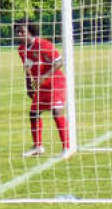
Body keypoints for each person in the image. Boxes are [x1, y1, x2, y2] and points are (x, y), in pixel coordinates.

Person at [15, 18, 71, 157]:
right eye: (17, 32)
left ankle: (67, 148)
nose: (19, 35)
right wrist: (29, 86)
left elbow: (59, 62)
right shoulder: (21, 49)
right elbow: (27, 68)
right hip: (41, 85)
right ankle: (37, 147)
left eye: (22, 31)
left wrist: (44, 76)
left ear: (30, 31)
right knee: (33, 114)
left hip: (55, 82)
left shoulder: (43, 44)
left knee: (56, 112)